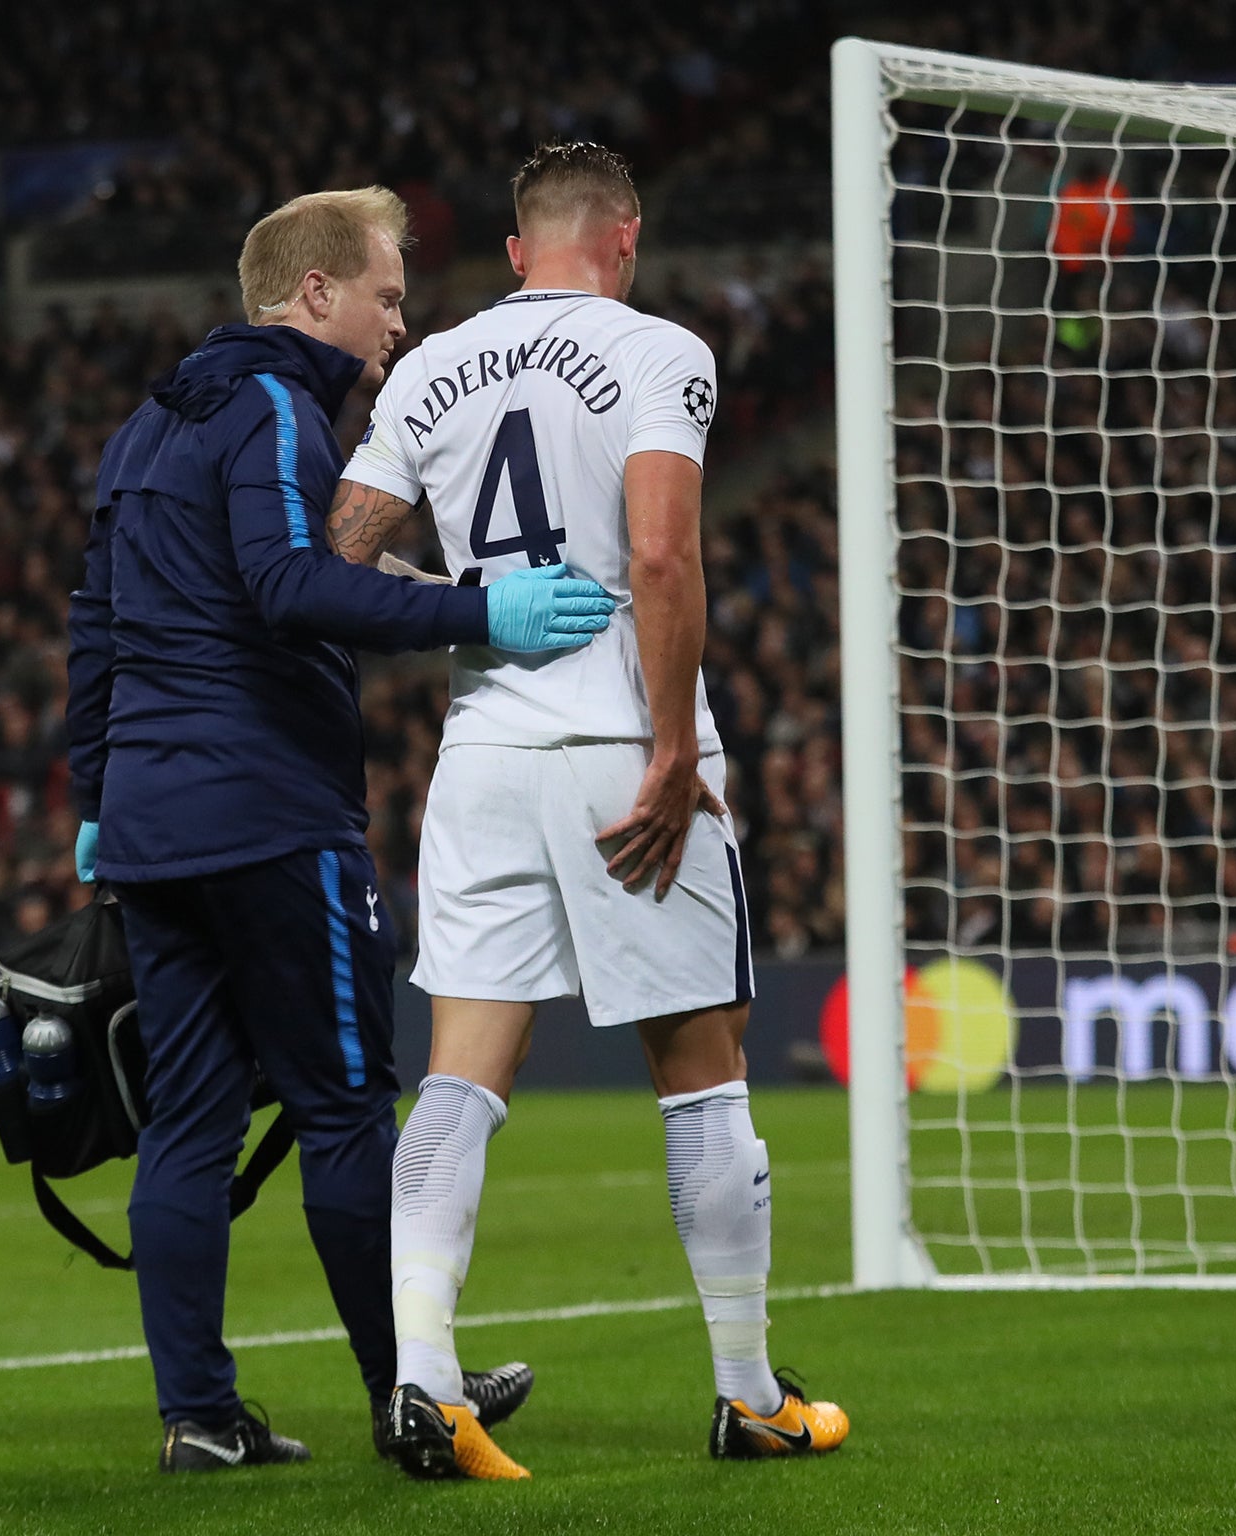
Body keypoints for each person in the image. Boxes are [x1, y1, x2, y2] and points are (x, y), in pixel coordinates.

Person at [65, 186, 616, 1474]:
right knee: (346, 1108)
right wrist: (478, 610)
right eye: (384, 297)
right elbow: (289, 588)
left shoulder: (145, 423)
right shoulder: (268, 406)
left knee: (192, 1125)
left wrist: (97, 795)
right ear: (314, 293)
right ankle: (408, 1387)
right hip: (266, 814)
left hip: (153, 826)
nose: (395, 325)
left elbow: (96, 623)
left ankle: (198, 1418)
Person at [326, 142, 848, 1481]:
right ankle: (746, 1393)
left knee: (458, 1069)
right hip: (620, 742)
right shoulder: (659, 349)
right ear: (623, 239)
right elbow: (663, 550)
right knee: (700, 1065)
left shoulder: (433, 363)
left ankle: (428, 1386)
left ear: (515, 251)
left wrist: (466, 597)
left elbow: (343, 549)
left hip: (485, 749)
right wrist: (676, 744)